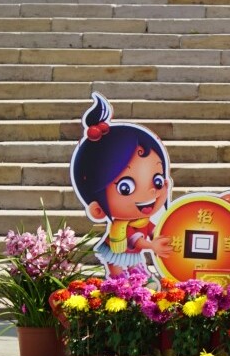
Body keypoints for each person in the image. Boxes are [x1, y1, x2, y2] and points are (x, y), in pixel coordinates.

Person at [68, 94, 175, 277]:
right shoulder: (127, 226)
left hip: (131, 253)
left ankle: (137, 281)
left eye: (157, 180)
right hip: (116, 248)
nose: (151, 191)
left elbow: (153, 230)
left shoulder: (144, 221)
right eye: (125, 188)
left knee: (134, 267)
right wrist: (152, 246)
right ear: (97, 209)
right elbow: (138, 241)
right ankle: (118, 283)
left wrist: (163, 194)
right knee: (117, 268)